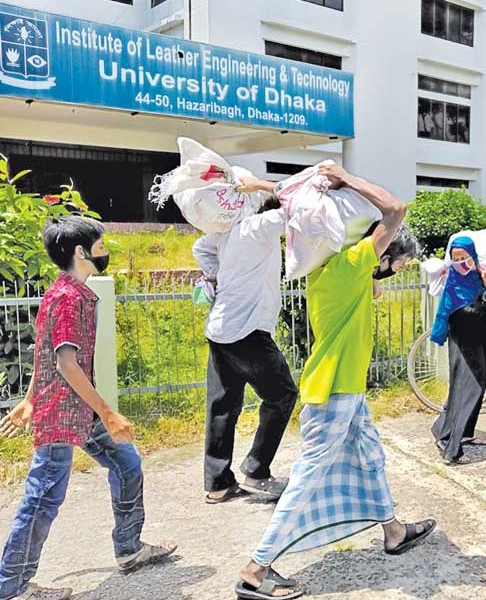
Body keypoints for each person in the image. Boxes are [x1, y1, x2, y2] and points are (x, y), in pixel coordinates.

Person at [235, 164, 436, 600]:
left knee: (370, 455)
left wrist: (265, 185)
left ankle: (394, 530)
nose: (400, 269)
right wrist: (347, 179)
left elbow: (293, 197)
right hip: (334, 390)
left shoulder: (331, 271)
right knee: (308, 476)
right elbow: (396, 209)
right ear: (379, 252)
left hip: (346, 389)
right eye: (400, 262)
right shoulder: (349, 267)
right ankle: (257, 567)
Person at [0, 217, 176, 600]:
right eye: (101, 245)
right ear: (80, 252)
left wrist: (30, 398)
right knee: (43, 496)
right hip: (63, 412)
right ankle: (11, 587)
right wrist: (108, 412)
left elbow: (45, 354)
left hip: (79, 409)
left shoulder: (69, 292)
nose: (105, 251)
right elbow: (65, 364)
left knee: (127, 464)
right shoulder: (67, 298)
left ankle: (129, 549)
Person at [192, 184, 298, 504]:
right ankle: (257, 471)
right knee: (282, 395)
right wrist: (270, 188)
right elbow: (297, 211)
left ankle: (218, 483)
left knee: (222, 406)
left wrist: (217, 275)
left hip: (220, 329)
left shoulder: (227, 232)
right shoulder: (259, 226)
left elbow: (200, 247)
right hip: (248, 332)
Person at [429, 237, 486, 465]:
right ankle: (451, 446)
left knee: (478, 385)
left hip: (485, 335)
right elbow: (466, 311)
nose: (460, 262)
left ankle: (459, 432)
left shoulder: (482, 275)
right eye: (455, 258)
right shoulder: (454, 281)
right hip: (464, 338)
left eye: (464, 257)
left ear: (473, 254)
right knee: (468, 387)